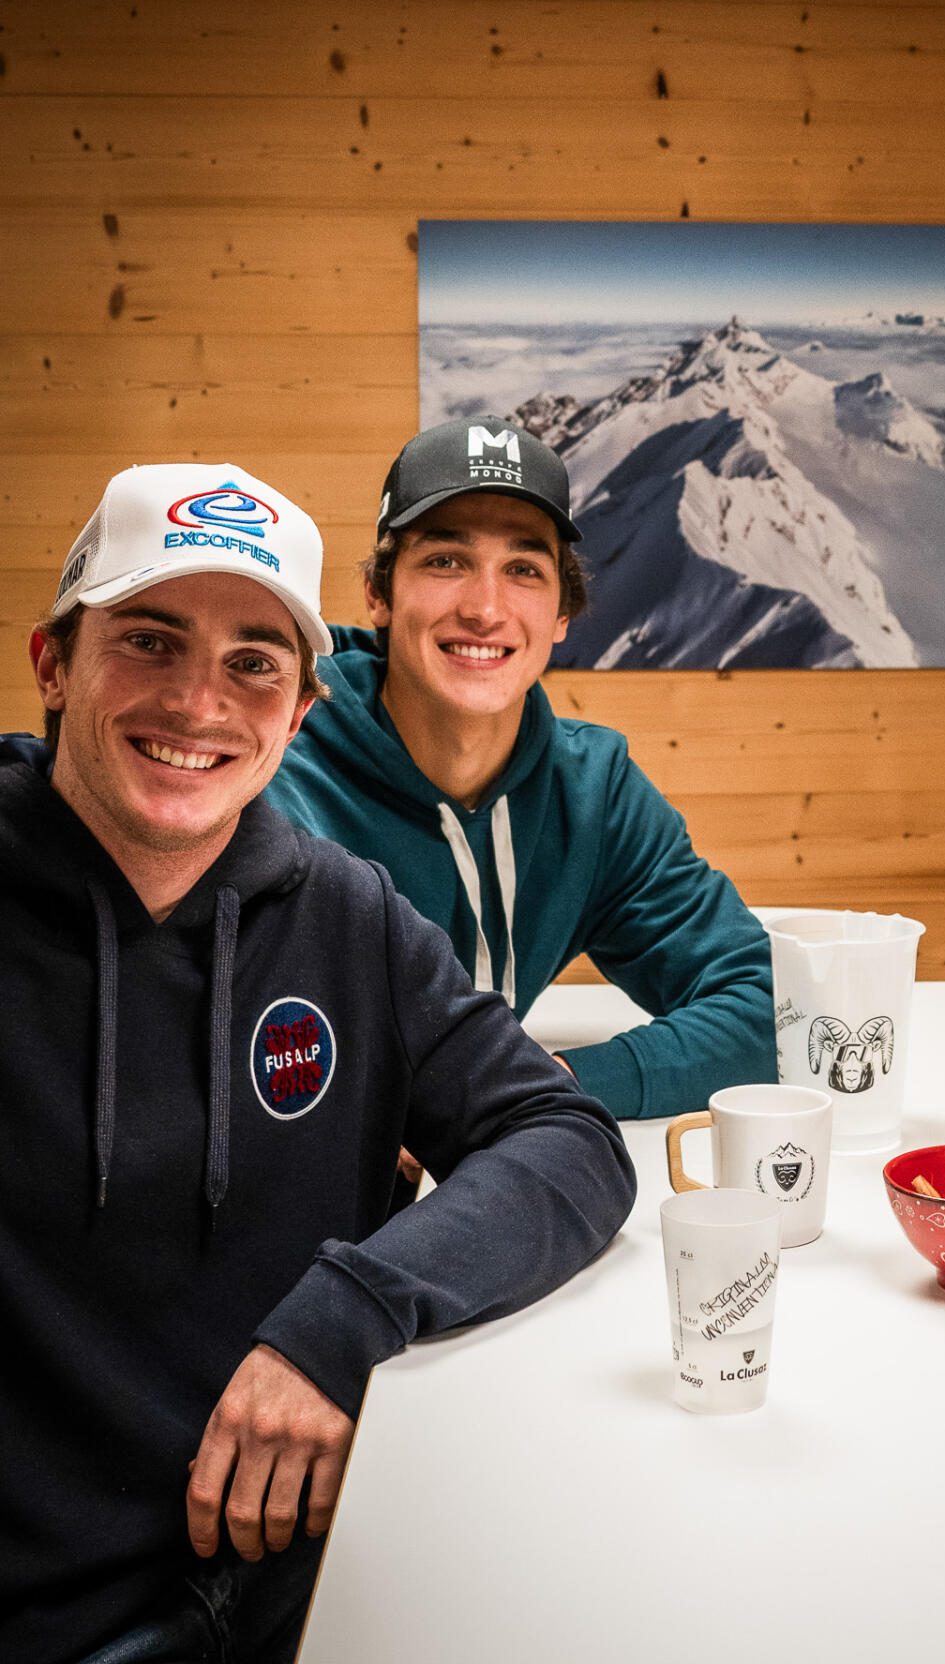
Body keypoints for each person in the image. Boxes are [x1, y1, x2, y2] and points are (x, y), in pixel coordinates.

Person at [0, 462, 636, 1664]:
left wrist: (342, 1323)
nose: (199, 704)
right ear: (53, 661)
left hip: (321, 1580)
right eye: (148, 639)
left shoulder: (349, 916)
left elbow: (567, 1143)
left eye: (254, 662)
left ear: (298, 714)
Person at [263, 419, 775, 1121]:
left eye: (524, 570)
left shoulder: (593, 791)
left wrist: (546, 1085)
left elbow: (766, 1008)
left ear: (563, 613)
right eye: (445, 561)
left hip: (491, 1168)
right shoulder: (275, 769)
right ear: (379, 595)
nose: (484, 608)